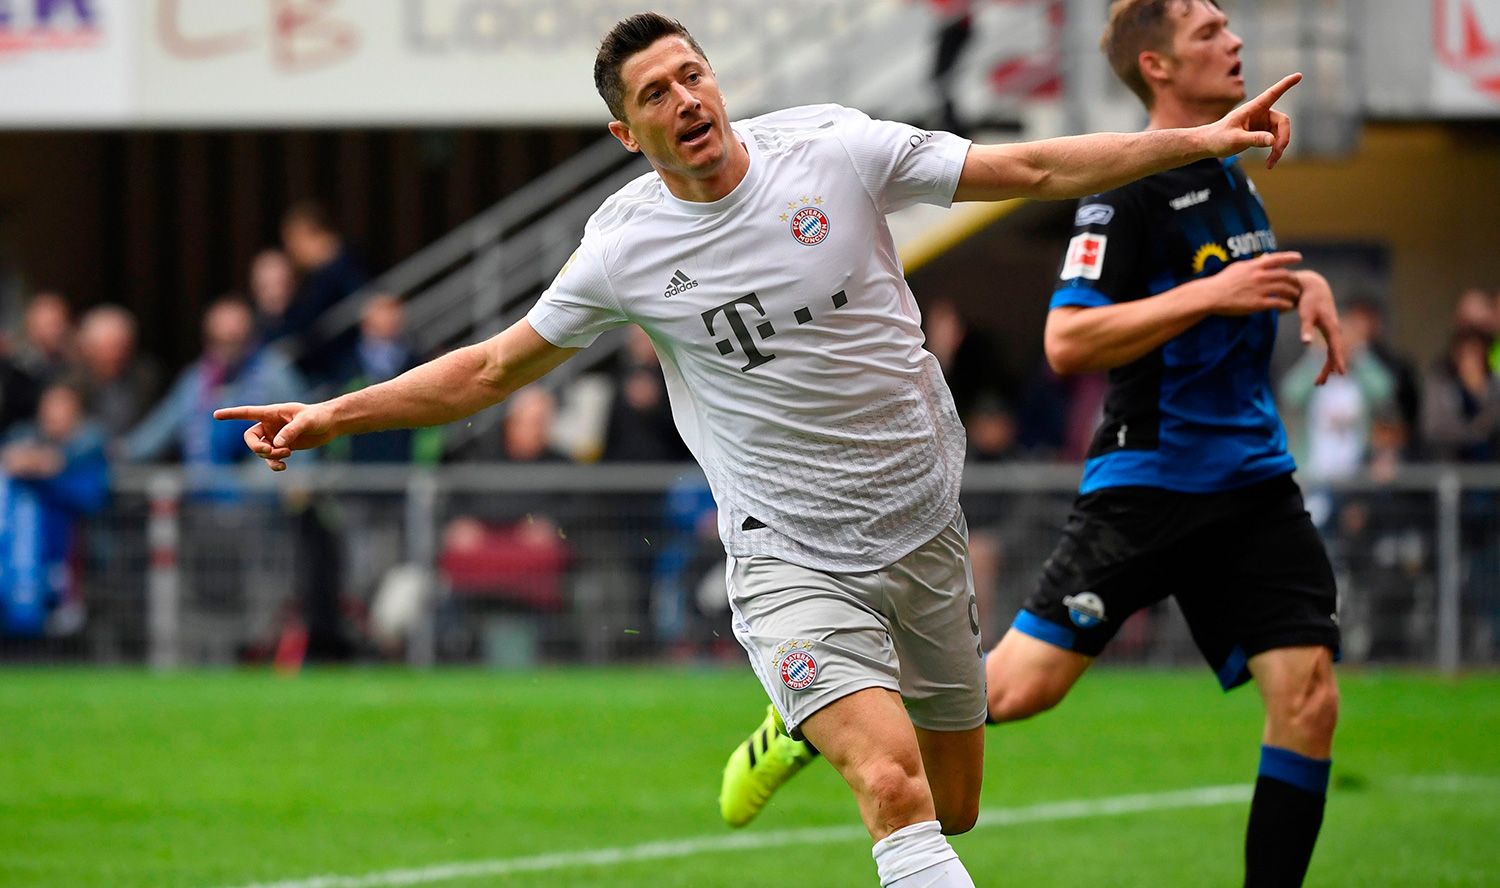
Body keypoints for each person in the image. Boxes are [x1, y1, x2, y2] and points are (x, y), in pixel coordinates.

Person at [216, 11, 1301, 885]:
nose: (684, 99)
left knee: (956, 806)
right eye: (654, 94)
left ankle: (790, 728)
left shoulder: (832, 149)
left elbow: (1030, 170)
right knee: (896, 794)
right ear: (625, 135)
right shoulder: (623, 250)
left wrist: (1199, 138)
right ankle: (814, 694)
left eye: (691, 74)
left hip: (922, 531)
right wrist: (329, 416)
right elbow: (491, 370)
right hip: (790, 557)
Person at [715, 3, 1345, 887]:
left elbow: (1228, 273)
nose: (1235, 41)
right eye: (1209, 33)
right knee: (1016, 691)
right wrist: (1220, 295)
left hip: (1254, 481)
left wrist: (1299, 281)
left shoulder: (1234, 168)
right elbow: (1069, 341)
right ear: (1158, 68)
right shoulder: (1128, 189)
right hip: (1150, 482)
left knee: (1310, 700)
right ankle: (813, 714)